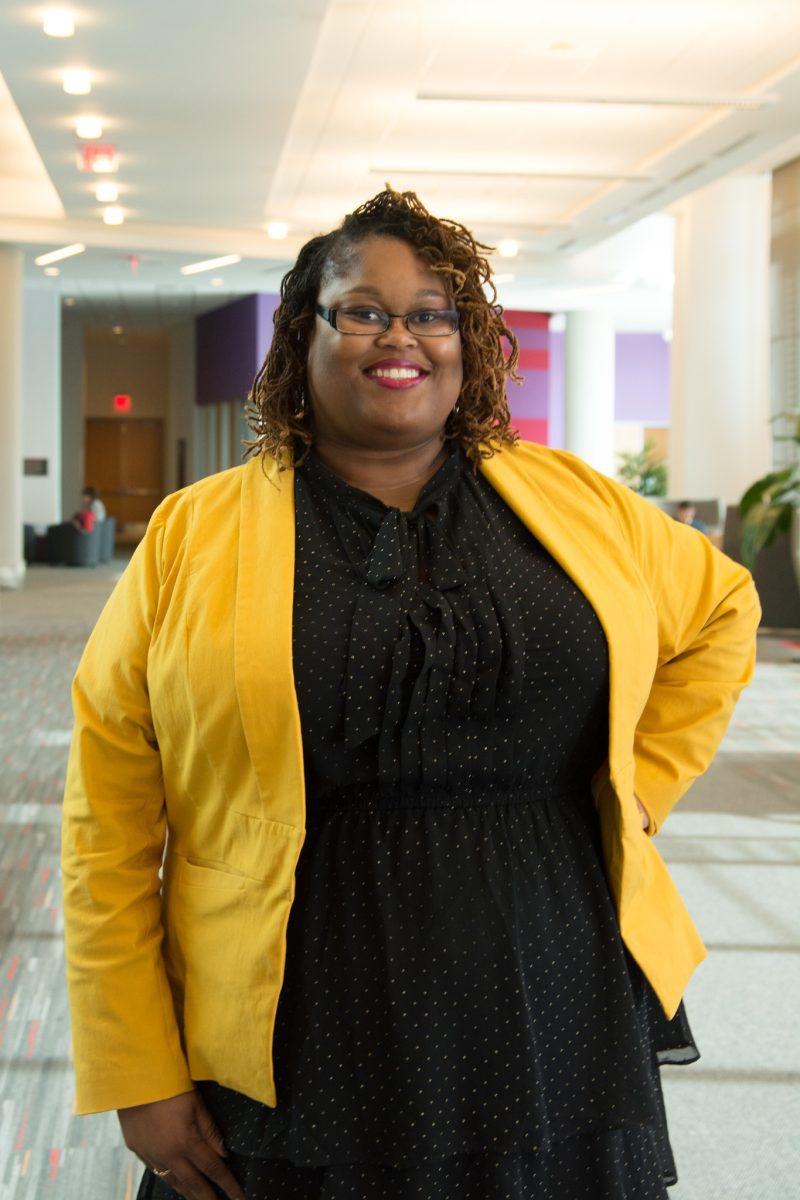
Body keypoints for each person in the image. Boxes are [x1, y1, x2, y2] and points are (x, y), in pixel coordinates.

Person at [61, 188, 762, 1200]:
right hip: (298, 1011)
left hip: (551, 988)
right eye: (362, 309)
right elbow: (107, 823)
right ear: (303, 337)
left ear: (466, 342)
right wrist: (137, 1066)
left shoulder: (572, 501)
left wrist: (644, 779)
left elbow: (720, 610)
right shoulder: (191, 536)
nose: (401, 336)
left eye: (432, 312)